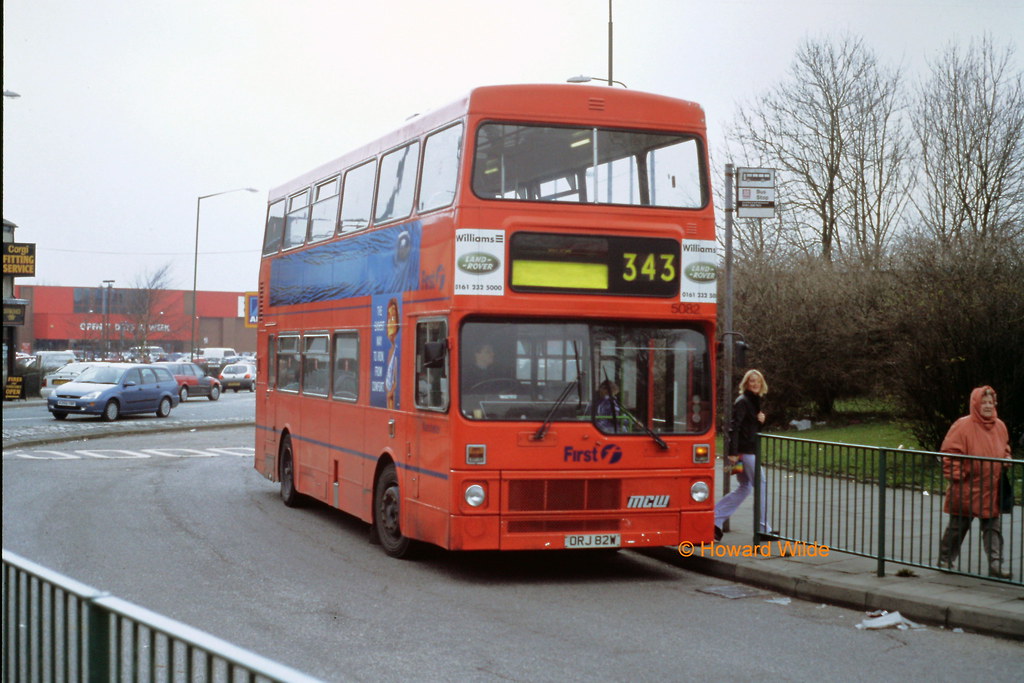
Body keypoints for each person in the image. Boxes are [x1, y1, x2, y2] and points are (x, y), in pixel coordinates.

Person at [937, 386, 1012, 579]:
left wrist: (1006, 459)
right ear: (976, 404)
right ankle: (945, 558)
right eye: (984, 402)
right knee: (958, 527)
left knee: (993, 528)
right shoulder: (963, 425)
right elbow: (949, 452)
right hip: (967, 488)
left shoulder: (1000, 426)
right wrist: (957, 477)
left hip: (991, 487)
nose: (987, 406)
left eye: (990, 402)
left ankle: (996, 564)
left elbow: (1005, 448)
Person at [714, 369, 777, 541]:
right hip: (744, 452)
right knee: (761, 484)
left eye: (757, 381)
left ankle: (714, 520)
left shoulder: (754, 401)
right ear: (746, 384)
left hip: (745, 450)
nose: (755, 384)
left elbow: (750, 429)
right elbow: (734, 428)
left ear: (761, 383)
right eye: (751, 381)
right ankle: (763, 529)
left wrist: (760, 423)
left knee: (745, 487)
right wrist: (733, 453)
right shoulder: (743, 401)